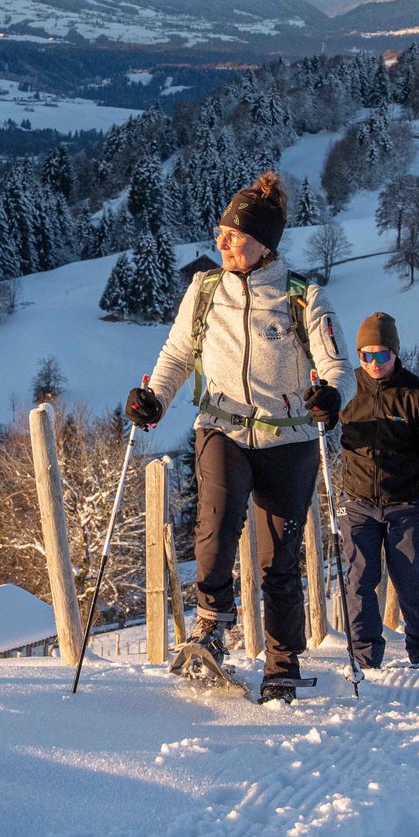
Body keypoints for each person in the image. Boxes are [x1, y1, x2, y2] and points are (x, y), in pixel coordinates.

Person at [124, 170, 350, 704]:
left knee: (280, 559)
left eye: (235, 233)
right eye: (220, 230)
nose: (222, 240)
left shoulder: (302, 298)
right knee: (215, 526)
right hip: (221, 427)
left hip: (289, 440)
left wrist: (331, 396)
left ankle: (282, 662)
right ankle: (212, 625)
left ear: (264, 243)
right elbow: (177, 356)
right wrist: (154, 397)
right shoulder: (204, 291)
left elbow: (337, 365)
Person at [335, 312, 419, 671]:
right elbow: (321, 414)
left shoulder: (415, 393)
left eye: (382, 355)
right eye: (366, 356)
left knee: (408, 580)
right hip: (357, 501)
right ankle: (364, 658)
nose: (374, 364)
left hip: (405, 502)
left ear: (395, 353)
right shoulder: (348, 389)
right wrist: (319, 404)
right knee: (360, 579)